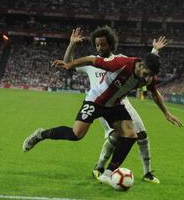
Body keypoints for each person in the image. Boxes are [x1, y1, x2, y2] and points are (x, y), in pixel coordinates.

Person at [23, 47, 182, 185]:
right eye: (146, 73)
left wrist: (167, 113)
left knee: (131, 135)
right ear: (140, 65)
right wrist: (70, 64)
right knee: (76, 135)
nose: (146, 78)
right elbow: (92, 60)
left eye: (150, 76)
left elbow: (154, 93)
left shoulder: (148, 77)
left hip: (115, 105)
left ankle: (108, 173)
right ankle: (41, 134)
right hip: (96, 101)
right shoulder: (122, 64)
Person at [63, 26, 168, 183]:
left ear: (110, 44)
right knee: (115, 136)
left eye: (103, 44)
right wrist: (71, 44)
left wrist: (154, 51)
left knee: (140, 135)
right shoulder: (91, 62)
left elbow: (143, 67)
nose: (99, 47)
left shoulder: (120, 58)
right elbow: (67, 63)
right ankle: (100, 168)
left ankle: (146, 173)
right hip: (100, 102)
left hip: (122, 102)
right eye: (97, 45)